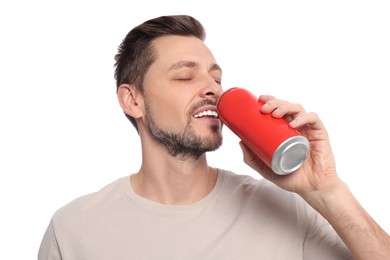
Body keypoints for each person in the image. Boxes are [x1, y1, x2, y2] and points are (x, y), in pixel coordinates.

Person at [38, 15, 390, 260]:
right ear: (133, 100)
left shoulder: (290, 211)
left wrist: (326, 190)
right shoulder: (74, 229)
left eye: (216, 77)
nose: (213, 89)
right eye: (185, 76)